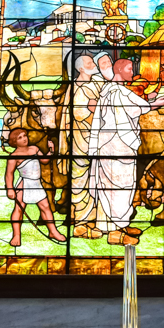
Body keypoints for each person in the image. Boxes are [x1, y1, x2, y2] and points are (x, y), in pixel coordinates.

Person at [85, 55, 164, 245]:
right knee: (116, 187)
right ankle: (114, 231)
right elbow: (136, 108)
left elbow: (135, 107)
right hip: (115, 145)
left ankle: (120, 224)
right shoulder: (117, 91)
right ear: (119, 70)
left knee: (122, 186)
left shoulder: (113, 90)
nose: (133, 72)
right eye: (130, 68)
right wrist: (158, 104)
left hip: (115, 145)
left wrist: (150, 103)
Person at [4, 125, 66, 247]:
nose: (24, 139)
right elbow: (9, 174)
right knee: (18, 209)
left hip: (36, 183)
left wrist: (51, 151)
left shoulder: (34, 148)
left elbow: (44, 160)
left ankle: (53, 232)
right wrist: (10, 189)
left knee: (45, 207)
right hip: (24, 184)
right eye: (20, 137)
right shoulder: (14, 156)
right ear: (14, 142)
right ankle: (16, 235)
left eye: (25, 136)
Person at [69, 52, 106, 239]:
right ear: (81, 68)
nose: (93, 64)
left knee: (99, 179)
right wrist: (95, 110)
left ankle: (99, 220)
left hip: (100, 138)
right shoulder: (75, 88)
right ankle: (81, 223)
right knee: (80, 179)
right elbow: (79, 114)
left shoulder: (98, 82)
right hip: (82, 138)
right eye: (90, 62)